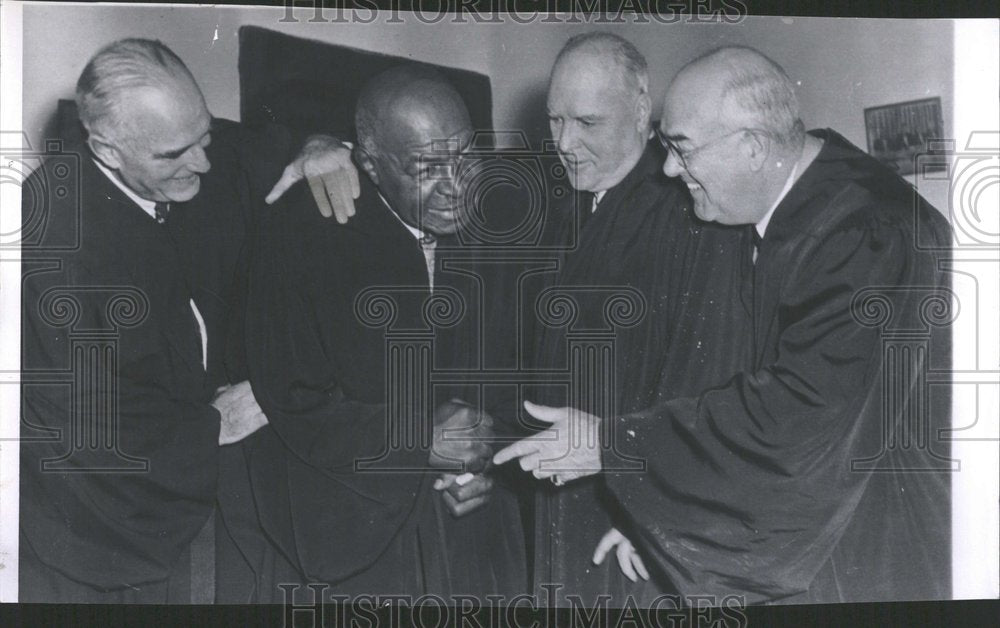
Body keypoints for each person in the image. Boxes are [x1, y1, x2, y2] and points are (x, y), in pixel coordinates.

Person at [495, 45, 952, 604]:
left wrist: (613, 445)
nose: (666, 169)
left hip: (864, 551)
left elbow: (798, 419)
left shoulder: (868, 229)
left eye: (681, 149)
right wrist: (671, 521)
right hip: (804, 535)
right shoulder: (791, 209)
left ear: (754, 147)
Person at [20, 38, 346, 603]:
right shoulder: (54, 238)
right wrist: (211, 425)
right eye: (175, 154)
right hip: (107, 543)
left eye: (205, 137)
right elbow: (80, 425)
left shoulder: (189, 148)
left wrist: (319, 146)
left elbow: (271, 147)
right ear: (106, 148)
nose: (203, 163)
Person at [231, 65, 526, 602]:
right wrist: (417, 441)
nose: (456, 187)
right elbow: (296, 403)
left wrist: (487, 458)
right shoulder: (303, 228)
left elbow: (517, 375)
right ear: (367, 165)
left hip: (469, 524)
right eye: (427, 169)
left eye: (465, 158)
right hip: (352, 533)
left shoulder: (499, 218)